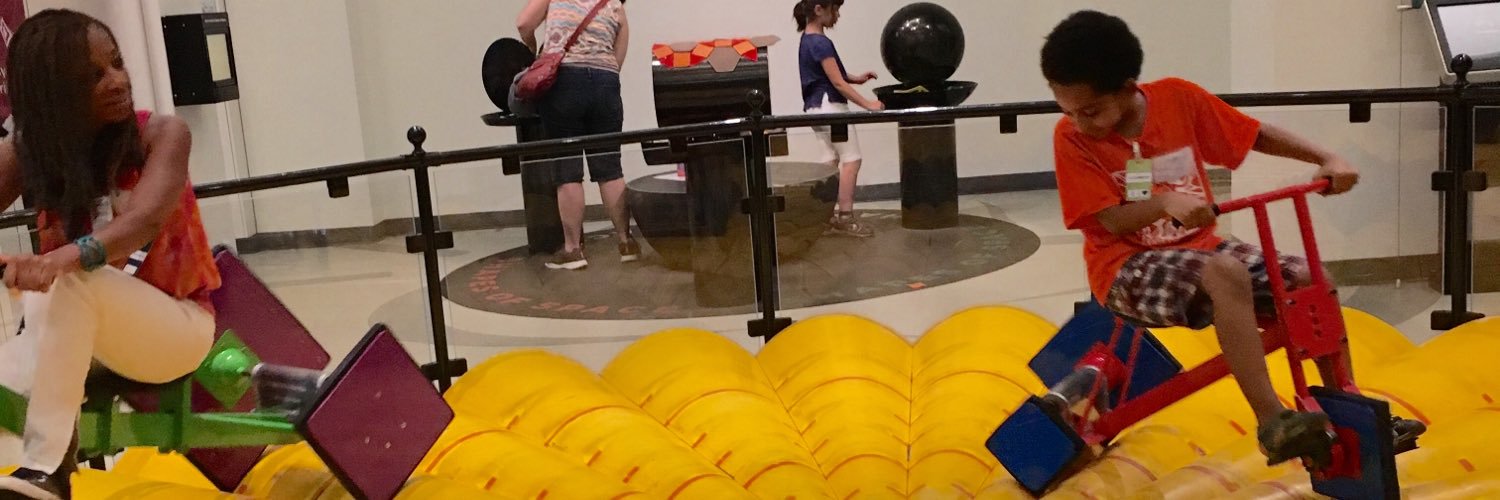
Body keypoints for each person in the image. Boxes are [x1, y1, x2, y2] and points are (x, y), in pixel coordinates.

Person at [1042, 10, 1410, 465]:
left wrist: (1326, 157)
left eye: (1091, 111)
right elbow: (1113, 222)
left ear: (1127, 87)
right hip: (1124, 268)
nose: (1080, 122)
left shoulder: (1177, 98)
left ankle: (1352, 411)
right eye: (1069, 111)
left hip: (1202, 252)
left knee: (1307, 277)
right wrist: (1163, 203)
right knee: (1225, 271)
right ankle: (1273, 421)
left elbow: (1253, 134)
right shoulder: (1072, 139)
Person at [0, 10, 221, 499]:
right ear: (53, 91)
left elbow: (141, 221)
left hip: (176, 331)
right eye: (93, 76)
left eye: (117, 64)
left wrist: (54, 262)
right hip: (73, 333)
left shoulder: (163, 134)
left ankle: (48, 468)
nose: (118, 80)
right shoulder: (30, 151)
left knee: (76, 279)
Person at [517, 0, 637, 270]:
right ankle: (626, 242)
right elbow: (618, 56)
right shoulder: (615, 5)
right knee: (610, 168)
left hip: (565, 81)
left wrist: (533, 49)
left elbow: (524, 23)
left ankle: (573, 250)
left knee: (567, 170)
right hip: (605, 83)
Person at [795, 0, 882, 238]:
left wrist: (857, 78)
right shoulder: (820, 42)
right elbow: (837, 82)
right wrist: (868, 104)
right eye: (835, 9)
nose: (837, 15)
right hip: (830, 106)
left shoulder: (807, 39)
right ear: (819, 10)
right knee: (852, 159)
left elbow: (830, 74)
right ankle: (845, 217)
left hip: (815, 108)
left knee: (829, 161)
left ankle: (821, 215)